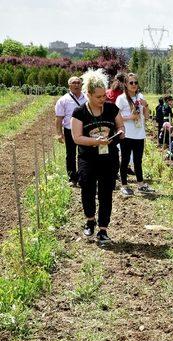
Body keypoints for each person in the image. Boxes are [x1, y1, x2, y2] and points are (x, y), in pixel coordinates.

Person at [70, 68, 125, 244]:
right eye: (99, 97)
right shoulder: (79, 113)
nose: (103, 100)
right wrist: (96, 142)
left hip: (109, 158)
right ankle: (90, 220)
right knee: (87, 189)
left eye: (104, 96)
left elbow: (120, 127)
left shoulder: (111, 109)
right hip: (87, 158)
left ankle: (103, 229)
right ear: (89, 95)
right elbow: (77, 138)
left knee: (106, 192)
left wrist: (119, 133)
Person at [115, 73, 153, 197]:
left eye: (136, 82)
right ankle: (124, 185)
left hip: (139, 133)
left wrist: (146, 105)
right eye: (131, 83)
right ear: (125, 84)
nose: (134, 85)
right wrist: (130, 117)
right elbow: (116, 116)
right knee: (125, 160)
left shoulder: (140, 96)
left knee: (138, 160)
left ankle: (141, 184)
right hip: (127, 134)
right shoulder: (121, 98)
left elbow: (146, 117)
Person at [54, 76, 87, 186]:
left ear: (82, 85)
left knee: (83, 154)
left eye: (79, 82)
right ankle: (72, 178)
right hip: (69, 131)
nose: (77, 85)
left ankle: (83, 176)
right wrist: (59, 133)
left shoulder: (87, 98)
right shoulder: (63, 100)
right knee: (71, 154)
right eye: (74, 83)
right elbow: (59, 118)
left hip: (84, 130)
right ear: (69, 85)